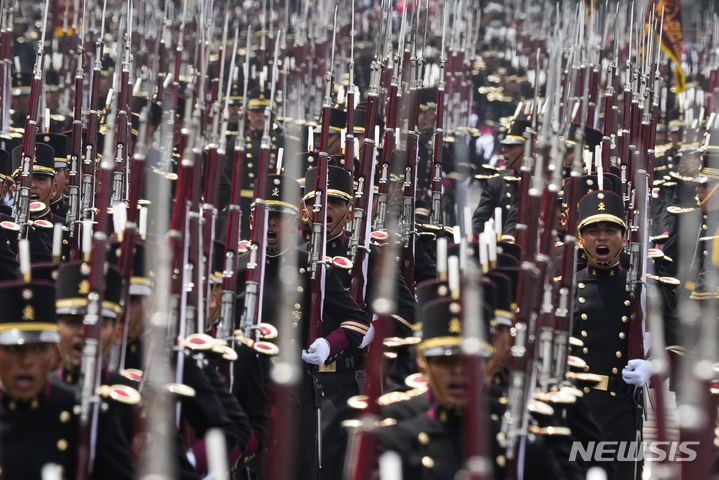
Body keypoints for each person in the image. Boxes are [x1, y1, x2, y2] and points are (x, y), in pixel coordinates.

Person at [234, 173, 371, 479]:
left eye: (280, 218)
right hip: (243, 388)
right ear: (253, 218)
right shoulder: (236, 268)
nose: (271, 225)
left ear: (296, 222)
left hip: (292, 391)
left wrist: (328, 344)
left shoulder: (310, 269)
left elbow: (358, 321)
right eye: (267, 216)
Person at [0, 278, 136, 479]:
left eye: (39, 349)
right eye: (13, 349)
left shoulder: (83, 416)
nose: (27, 361)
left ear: (54, 352)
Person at [573, 189, 650, 480]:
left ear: (624, 236)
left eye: (610, 230)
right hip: (578, 410)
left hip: (620, 409)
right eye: (593, 231)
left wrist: (652, 367)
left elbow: (677, 345)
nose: (601, 238)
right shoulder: (564, 289)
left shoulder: (641, 290)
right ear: (581, 239)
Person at [471, 116, 529, 239]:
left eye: (511, 147)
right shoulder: (497, 182)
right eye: (504, 146)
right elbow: (478, 222)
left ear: (527, 149)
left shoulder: (541, 185)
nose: (504, 150)